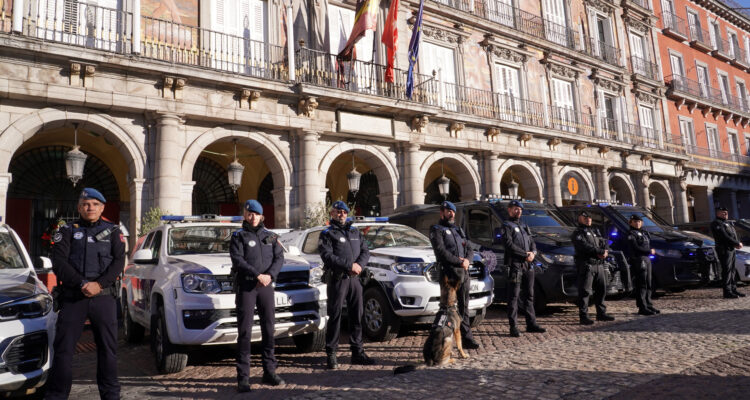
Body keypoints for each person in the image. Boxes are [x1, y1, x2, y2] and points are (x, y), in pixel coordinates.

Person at [46, 188, 125, 400]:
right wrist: (82, 283)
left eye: (94, 204)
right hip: (74, 297)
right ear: (79, 207)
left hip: (104, 297)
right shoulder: (67, 231)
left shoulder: (114, 232)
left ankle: (111, 396)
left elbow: (119, 262)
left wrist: (99, 284)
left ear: (102, 207)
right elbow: (59, 263)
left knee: (108, 350)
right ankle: (56, 395)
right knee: (64, 350)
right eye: (85, 204)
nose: (90, 208)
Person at [229, 200, 285, 392]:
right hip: (247, 286)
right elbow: (237, 260)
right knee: (245, 332)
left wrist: (270, 275)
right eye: (249, 213)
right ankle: (243, 377)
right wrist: (257, 274)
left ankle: (269, 371)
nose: (252, 217)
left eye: (256, 214)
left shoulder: (270, 236)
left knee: (269, 329)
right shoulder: (238, 236)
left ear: (262, 216)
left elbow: (279, 258)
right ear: (245, 215)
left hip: (266, 287)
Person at [318, 201, 376, 369]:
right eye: (338, 212)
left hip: (355, 280)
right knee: (335, 316)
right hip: (338, 279)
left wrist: (359, 265)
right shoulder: (327, 233)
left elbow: (366, 251)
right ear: (332, 213)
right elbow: (327, 256)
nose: (342, 214)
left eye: (344, 212)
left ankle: (357, 352)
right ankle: (332, 354)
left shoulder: (354, 231)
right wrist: (349, 266)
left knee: (357, 316)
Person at [429, 201, 480, 349]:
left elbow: (469, 248)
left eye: (453, 212)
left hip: (463, 273)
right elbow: (440, 251)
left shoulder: (458, 230)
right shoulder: (436, 229)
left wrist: (467, 261)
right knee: (447, 308)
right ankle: (441, 338)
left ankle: (466, 337)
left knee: (464, 306)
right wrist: (459, 261)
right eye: (448, 211)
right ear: (442, 213)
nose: (451, 214)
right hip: (448, 274)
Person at [501, 200, 546, 337]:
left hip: (528, 265)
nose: (518, 211)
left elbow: (532, 243)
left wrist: (533, 253)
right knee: (514, 297)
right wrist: (524, 254)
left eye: (520, 209)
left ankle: (531, 323)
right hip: (515, 265)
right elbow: (508, 244)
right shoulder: (506, 225)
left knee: (529, 296)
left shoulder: (524, 226)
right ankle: (513, 326)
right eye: (515, 209)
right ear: (509, 210)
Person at [571, 210, 615, 325]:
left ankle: (601, 313)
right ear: (579, 218)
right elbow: (584, 247)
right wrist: (599, 251)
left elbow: (603, 242)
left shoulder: (595, 230)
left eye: (589, 218)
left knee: (601, 290)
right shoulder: (578, 233)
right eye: (585, 218)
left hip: (598, 264)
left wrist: (605, 251)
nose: (588, 219)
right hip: (587, 265)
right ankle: (583, 316)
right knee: (585, 292)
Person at [625, 214, 660, 315]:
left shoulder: (644, 233)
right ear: (631, 222)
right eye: (635, 221)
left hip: (647, 259)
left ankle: (649, 305)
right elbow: (635, 247)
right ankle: (642, 307)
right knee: (642, 284)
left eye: (639, 221)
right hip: (639, 259)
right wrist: (649, 251)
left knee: (649, 283)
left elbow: (649, 243)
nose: (637, 223)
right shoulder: (631, 234)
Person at [710, 206, 745, 299]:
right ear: (718, 213)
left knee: (732, 270)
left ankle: (733, 289)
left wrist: (737, 243)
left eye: (726, 212)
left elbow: (733, 235)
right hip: (724, 249)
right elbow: (724, 236)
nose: (726, 214)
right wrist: (736, 243)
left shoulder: (727, 223)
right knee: (727, 270)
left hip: (731, 249)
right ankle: (727, 292)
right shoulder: (716, 223)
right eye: (723, 212)